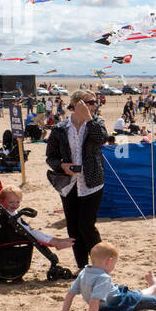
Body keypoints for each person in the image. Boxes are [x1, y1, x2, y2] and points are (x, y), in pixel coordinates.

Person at [46, 90, 106, 270]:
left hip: (92, 181)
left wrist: (89, 118)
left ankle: (101, 265)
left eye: (95, 102)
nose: (94, 105)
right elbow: (51, 157)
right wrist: (62, 166)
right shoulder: (60, 128)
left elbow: (101, 138)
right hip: (69, 184)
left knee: (87, 225)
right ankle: (82, 267)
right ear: (77, 103)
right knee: (73, 227)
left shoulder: (96, 123)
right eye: (90, 102)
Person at [0, 186, 74, 250]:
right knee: (36, 234)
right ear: (2, 201)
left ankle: (58, 241)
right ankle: (57, 243)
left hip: (23, 229)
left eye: (18, 202)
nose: (15, 205)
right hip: (17, 233)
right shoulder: (4, 211)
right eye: (11, 202)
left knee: (37, 233)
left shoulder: (9, 210)